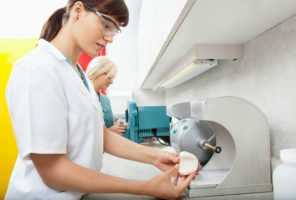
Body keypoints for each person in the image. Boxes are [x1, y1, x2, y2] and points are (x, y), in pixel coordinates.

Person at [5, 1, 196, 199]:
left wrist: (155, 156)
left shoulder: (77, 74)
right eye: (106, 25)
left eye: (115, 30)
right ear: (78, 11)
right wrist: (146, 187)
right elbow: (53, 171)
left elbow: (98, 134)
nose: (110, 37)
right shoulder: (38, 69)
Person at [85, 56, 127, 135]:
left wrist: (118, 122)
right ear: (98, 72)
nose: (112, 82)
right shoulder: (82, 96)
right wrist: (110, 131)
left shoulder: (105, 100)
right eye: (110, 77)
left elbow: (108, 121)